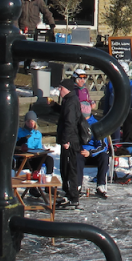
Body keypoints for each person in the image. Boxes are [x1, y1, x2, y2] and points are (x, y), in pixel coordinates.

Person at [55, 78, 87, 210]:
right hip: (70, 139)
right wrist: (54, 107)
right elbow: (66, 115)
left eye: (61, 88)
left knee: (70, 169)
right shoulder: (69, 100)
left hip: (70, 141)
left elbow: (70, 122)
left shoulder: (71, 102)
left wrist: (66, 140)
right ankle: (68, 193)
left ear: (67, 89)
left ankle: (73, 197)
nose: (59, 90)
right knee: (65, 168)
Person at [79, 101, 110, 198]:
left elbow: (103, 146)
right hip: (81, 152)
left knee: (104, 157)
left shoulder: (96, 125)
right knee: (76, 157)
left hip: (93, 153)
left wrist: (90, 153)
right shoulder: (76, 124)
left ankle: (101, 185)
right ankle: (77, 185)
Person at [18, 0, 54, 66]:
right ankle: (22, 63)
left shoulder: (38, 1)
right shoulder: (21, 1)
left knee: (32, 49)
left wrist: (52, 24)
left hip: (34, 28)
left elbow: (47, 12)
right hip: (23, 28)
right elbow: (16, 16)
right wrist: (17, 28)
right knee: (23, 49)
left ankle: (28, 64)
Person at [15, 110, 54, 176]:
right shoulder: (19, 132)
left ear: (35, 122)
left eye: (32, 121)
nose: (30, 123)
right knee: (32, 163)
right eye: (28, 121)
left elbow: (38, 148)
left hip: (34, 156)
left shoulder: (37, 134)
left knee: (49, 159)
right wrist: (20, 143)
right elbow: (14, 147)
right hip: (22, 157)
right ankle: (33, 177)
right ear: (25, 122)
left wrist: (42, 151)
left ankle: (48, 178)